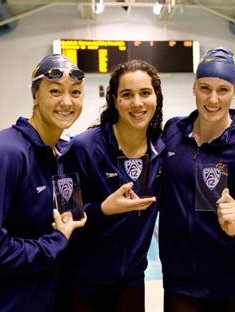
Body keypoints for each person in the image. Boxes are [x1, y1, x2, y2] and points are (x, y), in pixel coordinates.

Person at [0, 54, 87, 312]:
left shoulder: (58, 154)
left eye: (76, 92)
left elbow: (64, 220)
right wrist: (55, 242)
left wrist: (102, 208)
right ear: (35, 96)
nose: (67, 101)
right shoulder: (4, 155)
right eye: (55, 91)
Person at [158, 47, 235, 311]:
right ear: (194, 88)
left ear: (234, 92)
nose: (213, 99)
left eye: (223, 89)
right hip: (179, 284)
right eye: (205, 88)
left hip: (234, 288)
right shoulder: (173, 130)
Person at [59, 59, 165, 312]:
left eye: (145, 93)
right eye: (127, 95)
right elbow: (65, 216)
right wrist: (102, 210)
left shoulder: (162, 149)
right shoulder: (83, 148)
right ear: (115, 100)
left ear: (156, 98)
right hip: (82, 281)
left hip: (130, 280)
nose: (137, 103)